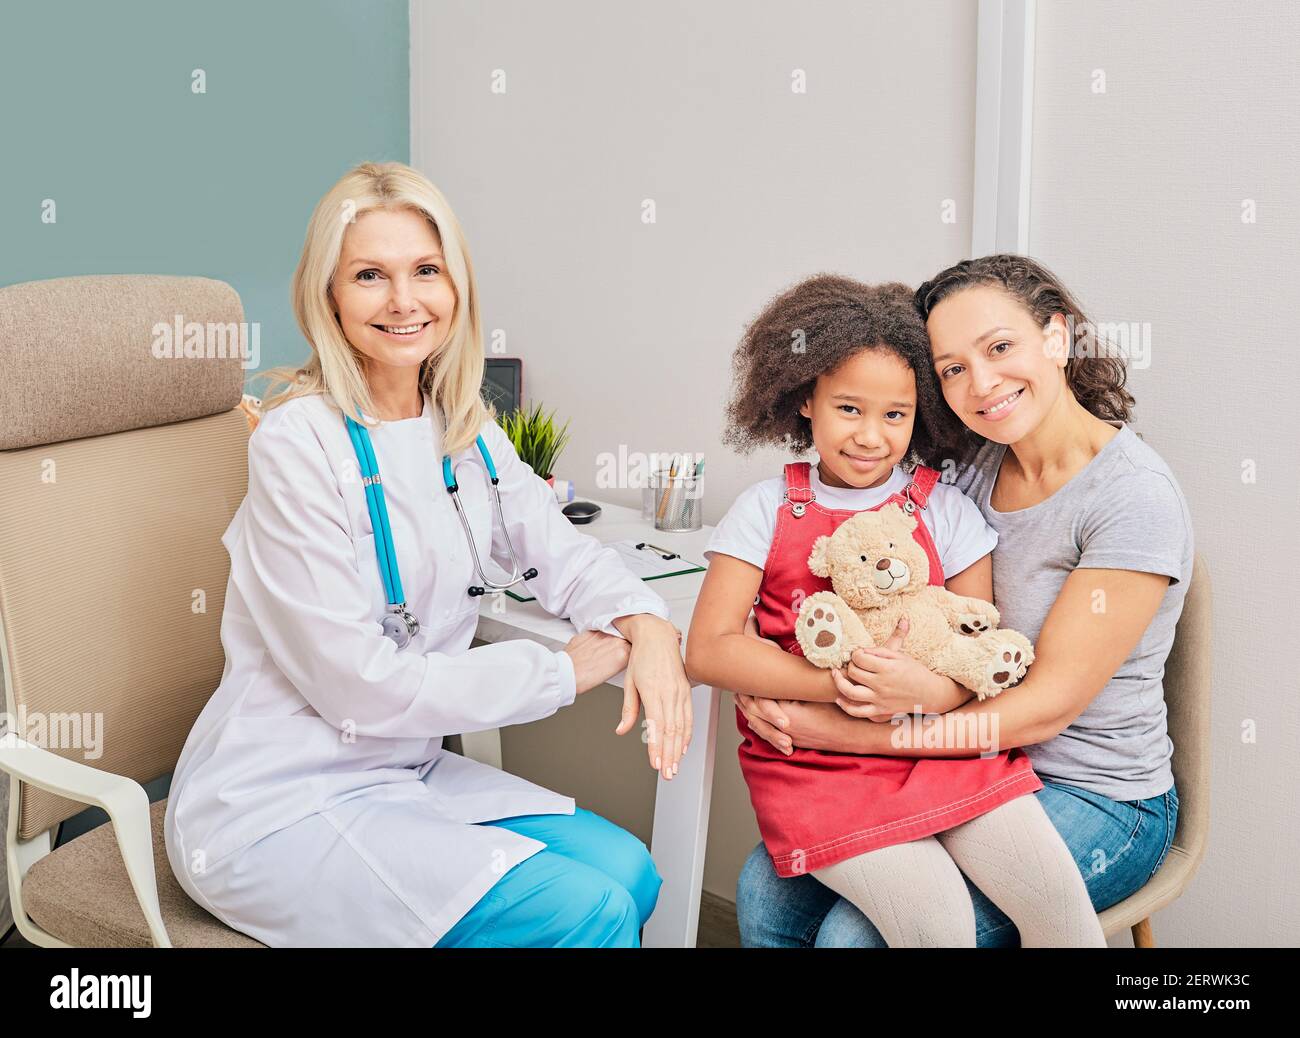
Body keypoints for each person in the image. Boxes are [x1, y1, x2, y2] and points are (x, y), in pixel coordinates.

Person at [164, 161, 693, 948]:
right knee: (589, 910)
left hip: (401, 771)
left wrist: (646, 626)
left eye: (426, 271)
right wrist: (561, 671)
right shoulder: (295, 443)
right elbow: (359, 689)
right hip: (279, 797)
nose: (405, 301)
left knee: (630, 874)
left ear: (457, 288)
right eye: (370, 275)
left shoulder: (465, 431)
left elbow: (559, 552)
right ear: (329, 295)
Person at [732, 255, 1188, 947]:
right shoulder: (965, 470)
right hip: (954, 761)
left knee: (856, 939)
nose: (981, 383)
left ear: (1058, 338)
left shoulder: (1132, 498)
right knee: (765, 890)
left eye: (1000, 347)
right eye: (951, 368)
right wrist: (766, 668)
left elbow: (1046, 709)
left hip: (1098, 796)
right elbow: (855, 582)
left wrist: (844, 730)